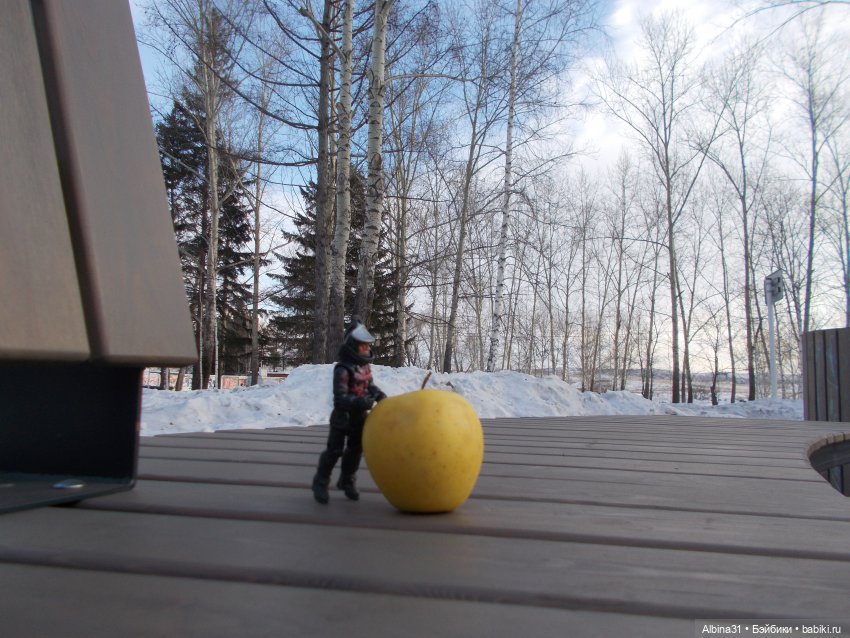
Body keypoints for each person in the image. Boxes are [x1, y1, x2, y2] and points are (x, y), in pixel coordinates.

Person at [312, 321, 386, 504]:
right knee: (334, 451)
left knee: (354, 451)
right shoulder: (343, 370)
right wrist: (362, 402)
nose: (366, 349)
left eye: (368, 346)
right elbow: (340, 399)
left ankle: (347, 480)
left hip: (359, 418)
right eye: (363, 346)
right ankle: (320, 481)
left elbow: (368, 386)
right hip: (342, 418)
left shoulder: (364, 368)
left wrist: (378, 395)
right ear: (353, 346)